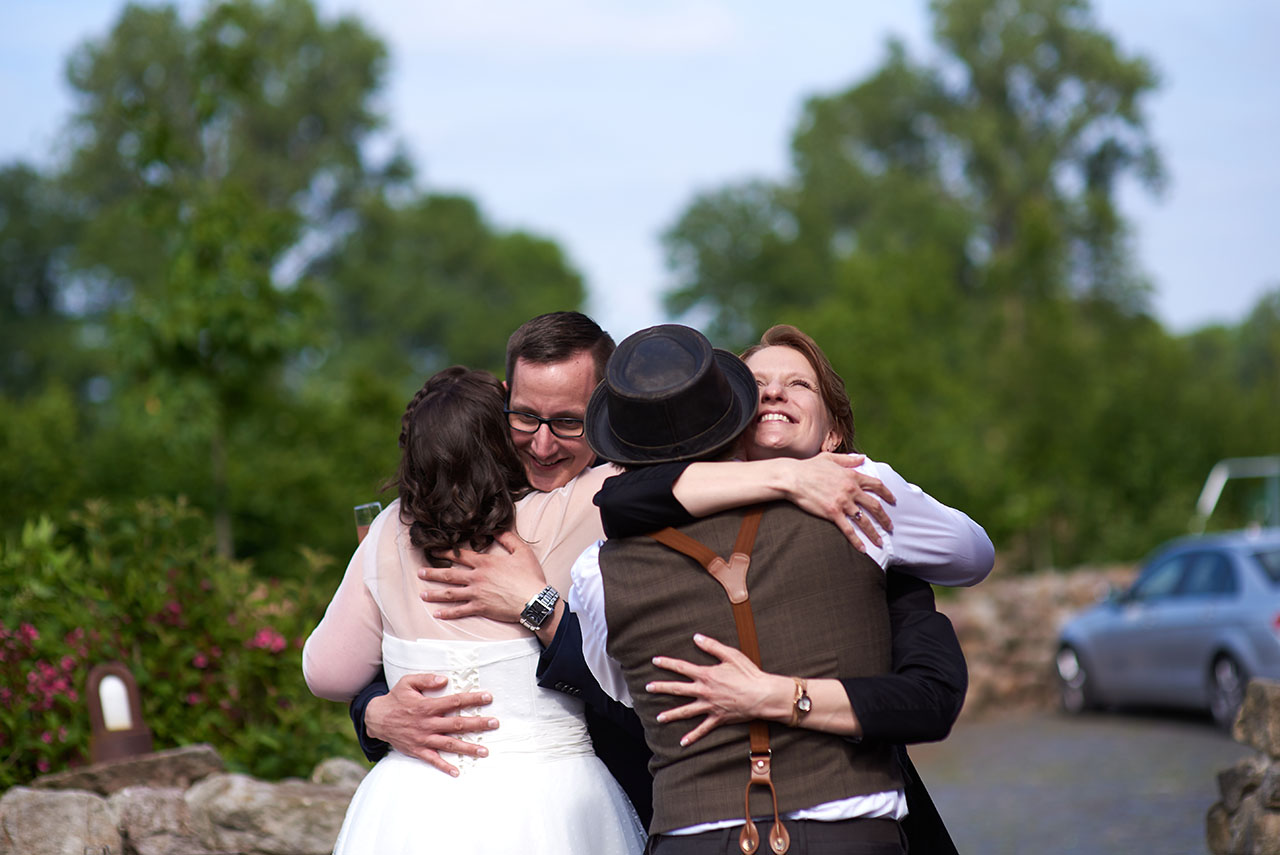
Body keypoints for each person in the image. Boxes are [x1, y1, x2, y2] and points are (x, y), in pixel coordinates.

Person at [573, 324, 955, 852]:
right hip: (844, 831)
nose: (774, 395)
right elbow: (975, 555)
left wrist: (775, 695)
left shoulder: (596, 570)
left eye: (799, 384)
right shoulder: (865, 514)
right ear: (736, 422)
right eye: (759, 387)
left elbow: (627, 691)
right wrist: (790, 479)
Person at [302, 366, 646, 854]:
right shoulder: (572, 507)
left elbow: (326, 672)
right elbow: (674, 478)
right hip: (548, 801)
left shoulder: (386, 532)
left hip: (411, 807)